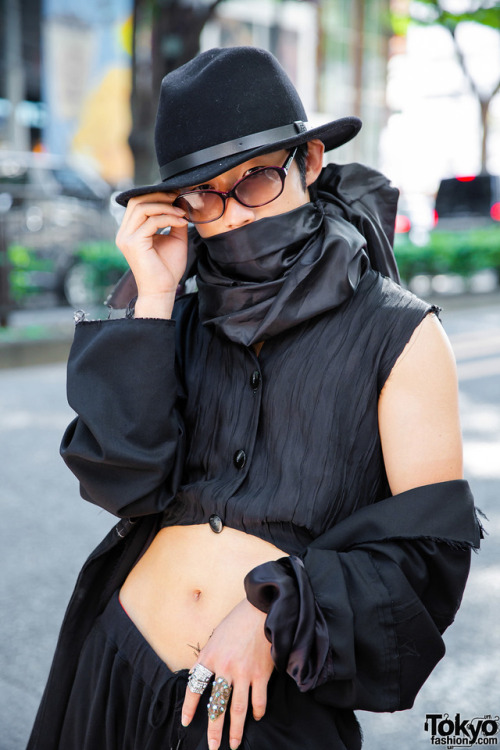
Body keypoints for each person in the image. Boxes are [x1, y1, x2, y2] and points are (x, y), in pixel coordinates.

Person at [28, 46, 481, 750]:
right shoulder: (174, 317)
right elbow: (123, 482)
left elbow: (429, 554)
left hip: (260, 709)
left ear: (309, 163)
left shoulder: (400, 333)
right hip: (113, 670)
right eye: (204, 195)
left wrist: (277, 614)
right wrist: (150, 296)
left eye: (256, 181)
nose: (233, 215)